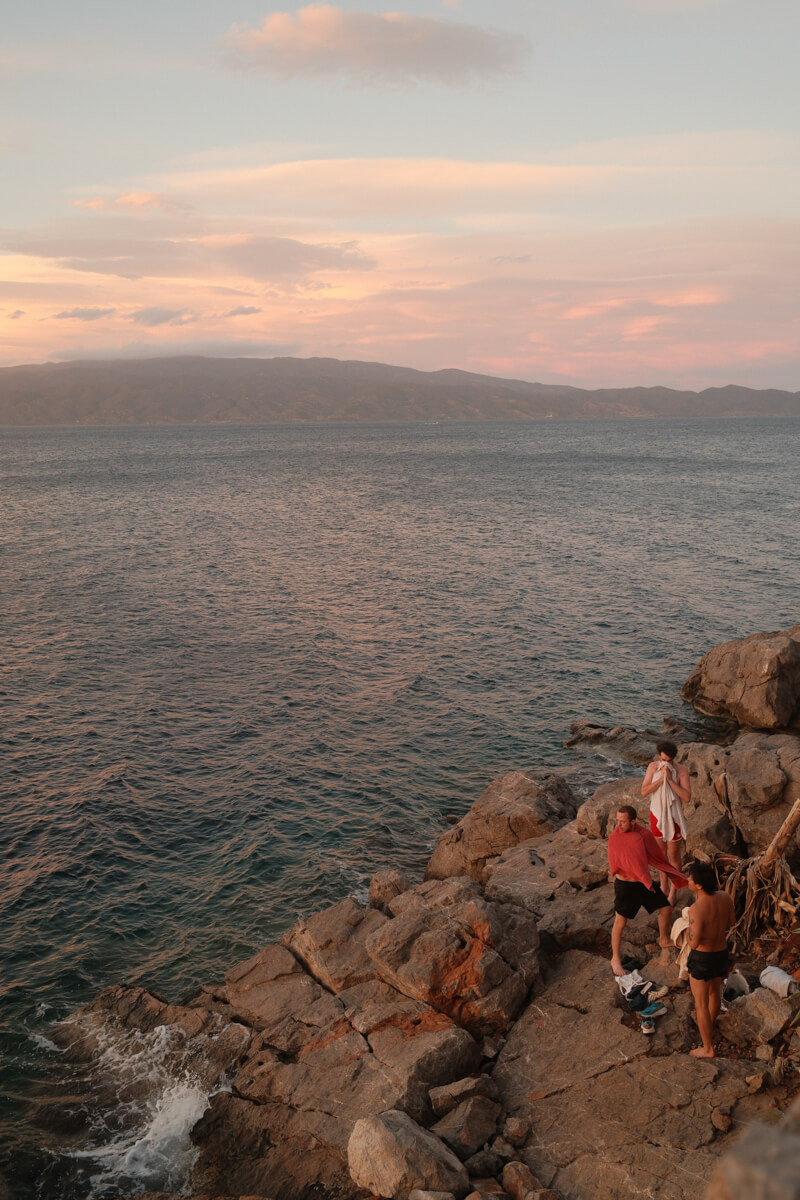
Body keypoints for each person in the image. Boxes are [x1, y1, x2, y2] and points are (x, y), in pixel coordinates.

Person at [608, 805, 688, 976]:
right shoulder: (616, 836)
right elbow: (616, 859)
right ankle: (615, 959)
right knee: (620, 922)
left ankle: (664, 939)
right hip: (625, 886)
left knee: (666, 908)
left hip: (644, 883)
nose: (619, 824)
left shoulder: (643, 835)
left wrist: (672, 873)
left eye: (623, 821)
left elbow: (656, 856)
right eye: (618, 820)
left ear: (633, 821)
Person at [686, 860, 735, 1059]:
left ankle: (707, 1048)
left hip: (702, 958)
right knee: (714, 994)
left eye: (689, 879)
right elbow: (731, 922)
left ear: (698, 885)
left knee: (700, 1004)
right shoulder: (724, 897)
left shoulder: (696, 909)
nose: (687, 881)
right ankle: (710, 1025)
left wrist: (686, 927)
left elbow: (694, 943)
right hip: (721, 954)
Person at [641, 739, 690, 903]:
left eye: (669, 761)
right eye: (663, 760)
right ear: (658, 757)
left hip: (673, 816)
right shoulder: (652, 767)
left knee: (674, 856)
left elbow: (686, 797)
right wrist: (659, 779)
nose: (666, 763)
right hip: (657, 814)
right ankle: (664, 887)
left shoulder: (681, 770)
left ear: (674, 759)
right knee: (661, 855)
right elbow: (644, 791)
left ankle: (674, 892)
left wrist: (669, 780)